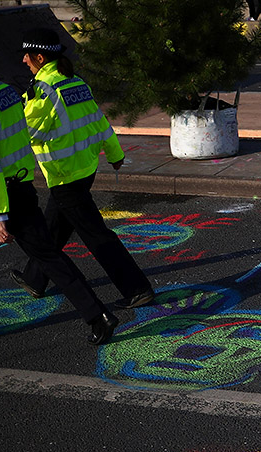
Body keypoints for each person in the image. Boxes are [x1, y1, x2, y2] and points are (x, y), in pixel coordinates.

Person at [0, 16, 117, 344]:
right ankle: (98, 315)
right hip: (22, 189)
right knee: (50, 257)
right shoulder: (2, 91)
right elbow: (18, 142)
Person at [12, 27, 155, 311]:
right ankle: (35, 278)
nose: (23, 61)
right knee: (54, 227)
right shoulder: (75, 82)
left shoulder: (43, 91)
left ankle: (137, 288)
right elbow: (99, 122)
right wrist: (115, 153)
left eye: (27, 56)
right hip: (84, 168)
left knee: (96, 235)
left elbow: (27, 133)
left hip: (65, 174)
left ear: (40, 57)